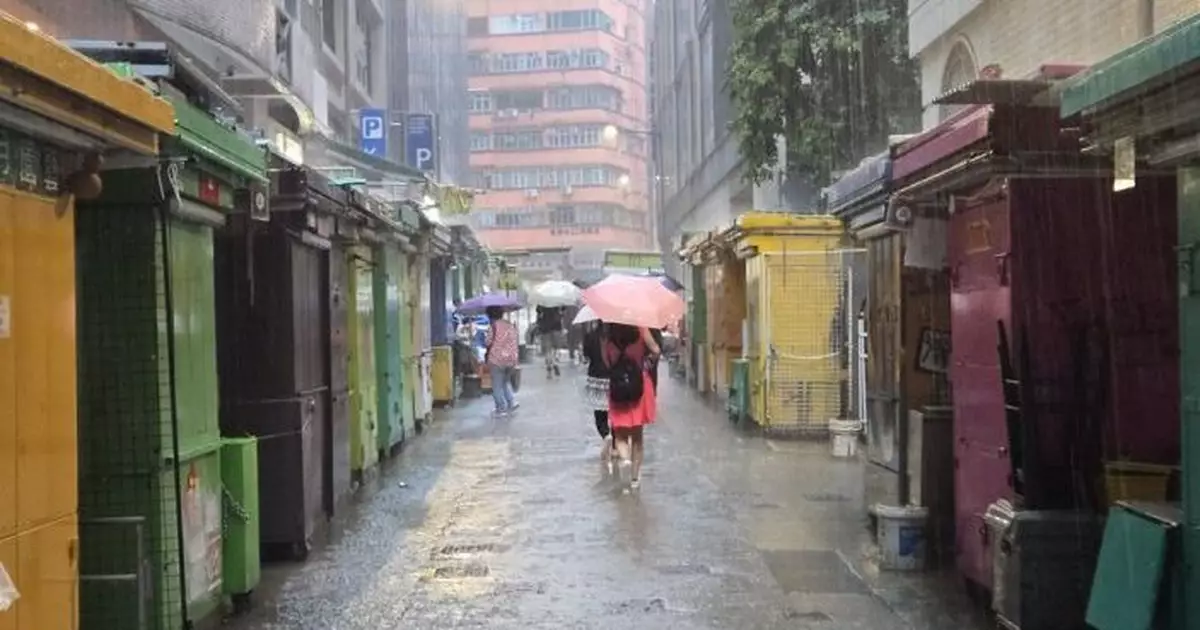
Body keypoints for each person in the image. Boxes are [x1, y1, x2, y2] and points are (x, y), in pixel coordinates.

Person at [603, 323, 661, 489]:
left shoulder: (609, 336)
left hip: (618, 388)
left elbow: (607, 363)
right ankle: (635, 479)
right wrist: (647, 362)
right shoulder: (641, 329)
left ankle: (625, 459)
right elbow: (656, 350)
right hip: (639, 385)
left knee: (620, 434)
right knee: (637, 436)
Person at [581, 322, 613, 461]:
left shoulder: (590, 335)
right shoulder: (616, 335)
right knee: (616, 412)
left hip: (596, 377)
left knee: (599, 414)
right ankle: (617, 443)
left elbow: (586, 356)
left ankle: (606, 435)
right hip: (614, 377)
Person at [485, 306, 519, 416]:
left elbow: (488, 342)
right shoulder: (510, 325)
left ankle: (501, 408)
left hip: (497, 359)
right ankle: (511, 402)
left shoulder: (493, 327)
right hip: (511, 359)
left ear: (490, 316)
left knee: (497, 385)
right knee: (505, 382)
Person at [536, 305, 565, 378]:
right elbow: (563, 310)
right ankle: (555, 362)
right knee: (556, 348)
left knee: (548, 350)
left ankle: (549, 369)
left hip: (545, 329)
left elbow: (538, 313)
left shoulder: (542, 301)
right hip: (556, 327)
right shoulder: (557, 299)